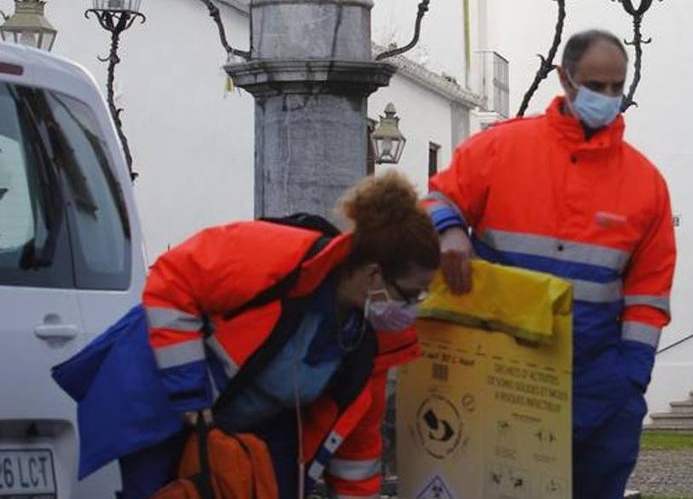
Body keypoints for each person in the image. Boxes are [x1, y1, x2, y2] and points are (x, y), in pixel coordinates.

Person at [53, 171, 440, 499]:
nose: (411, 309)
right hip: (160, 398)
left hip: (248, 428)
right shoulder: (278, 255)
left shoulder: (363, 344)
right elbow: (172, 281)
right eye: (409, 294)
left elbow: (358, 446)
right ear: (373, 274)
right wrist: (189, 393)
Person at [424, 28, 677, 499]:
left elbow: (649, 292)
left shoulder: (646, 184)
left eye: (616, 88)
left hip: (600, 380)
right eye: (595, 86)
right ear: (564, 79)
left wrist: (630, 378)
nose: (607, 98)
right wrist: (450, 230)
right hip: (501, 371)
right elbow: (437, 197)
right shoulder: (499, 149)